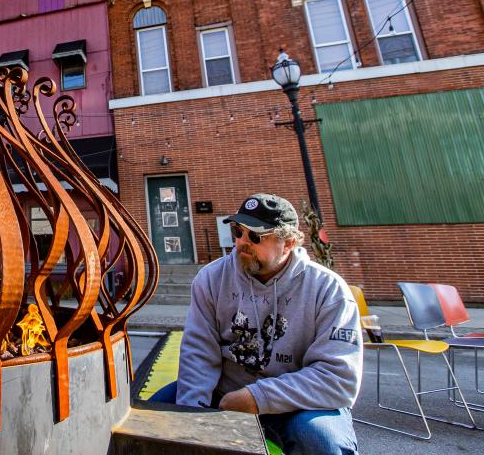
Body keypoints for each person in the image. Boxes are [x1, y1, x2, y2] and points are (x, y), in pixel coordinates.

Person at [152, 193, 362, 455]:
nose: (241, 242)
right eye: (238, 231)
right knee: (153, 418)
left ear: (289, 243)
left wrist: (257, 398)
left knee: (319, 439)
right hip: (225, 393)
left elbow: (338, 378)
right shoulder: (211, 278)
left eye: (255, 236)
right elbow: (199, 352)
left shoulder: (328, 290)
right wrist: (194, 417)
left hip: (299, 403)